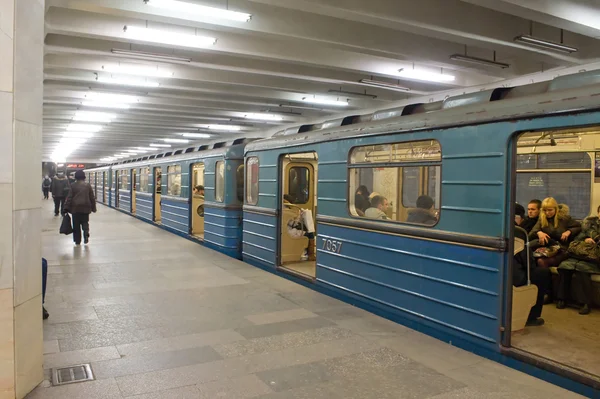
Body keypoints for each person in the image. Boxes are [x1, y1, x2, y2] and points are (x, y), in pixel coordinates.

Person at [556, 205, 600, 315]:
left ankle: (585, 303)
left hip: (595, 258)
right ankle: (562, 298)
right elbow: (578, 238)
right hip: (581, 254)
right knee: (565, 267)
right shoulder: (589, 225)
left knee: (583, 270)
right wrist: (586, 239)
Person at [513, 223, 551, 326]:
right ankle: (532, 316)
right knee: (542, 273)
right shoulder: (518, 232)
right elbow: (528, 263)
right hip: (514, 277)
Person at [529, 197, 581, 269]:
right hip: (547, 247)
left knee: (541, 261)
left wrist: (569, 231)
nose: (547, 213)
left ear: (556, 209)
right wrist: (539, 232)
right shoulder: (542, 218)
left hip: (562, 248)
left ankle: (547, 279)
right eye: (545, 210)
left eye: (550, 210)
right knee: (530, 258)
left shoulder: (564, 218)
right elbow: (532, 232)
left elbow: (578, 227)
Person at [64, 170, 97, 246]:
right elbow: (92, 197)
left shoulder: (73, 185)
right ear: (84, 177)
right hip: (86, 208)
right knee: (85, 222)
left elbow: (69, 197)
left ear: (76, 177)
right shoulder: (87, 185)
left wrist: (66, 207)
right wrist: (93, 208)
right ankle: (86, 233)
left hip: (75, 208)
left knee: (76, 225)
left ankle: (77, 240)